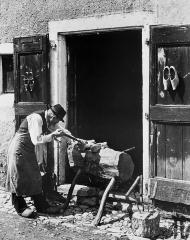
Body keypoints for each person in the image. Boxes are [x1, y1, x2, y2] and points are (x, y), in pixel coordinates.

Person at [6, 104, 69, 218]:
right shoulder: (36, 118)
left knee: (35, 176)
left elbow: (62, 131)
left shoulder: (50, 121)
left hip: (28, 149)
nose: (56, 123)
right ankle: (20, 208)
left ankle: (42, 206)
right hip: (19, 148)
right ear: (52, 116)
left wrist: (79, 141)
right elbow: (37, 140)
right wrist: (53, 135)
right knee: (17, 177)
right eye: (57, 120)